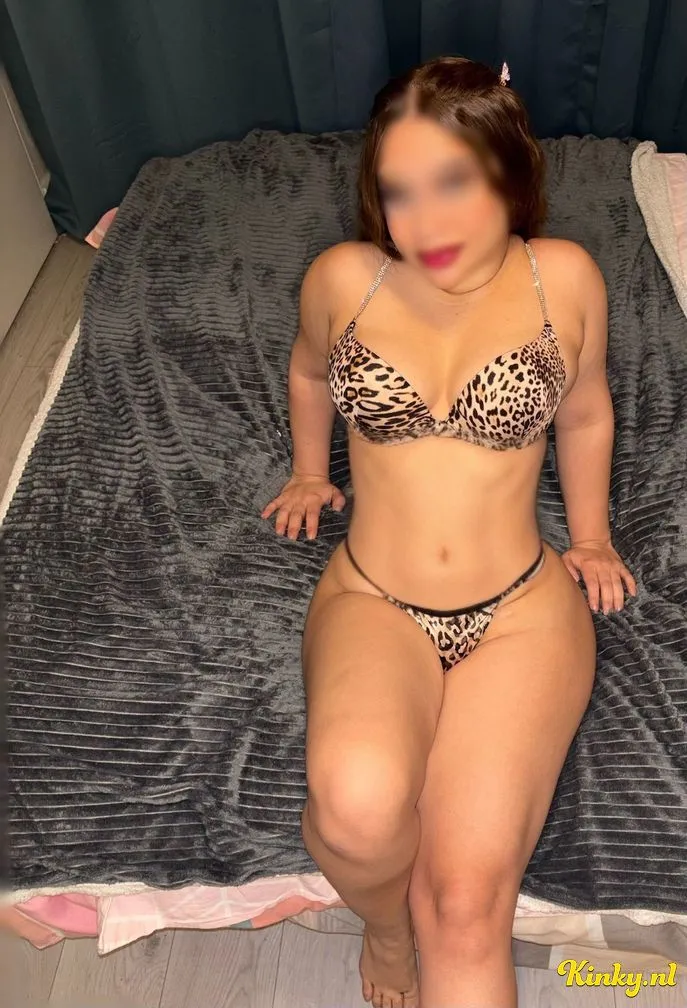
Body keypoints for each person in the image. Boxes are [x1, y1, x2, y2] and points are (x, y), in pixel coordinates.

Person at [261, 55, 637, 1008]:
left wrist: (591, 537)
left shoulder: (563, 279)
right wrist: (309, 470)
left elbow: (583, 412)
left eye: (452, 183)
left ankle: (425, 931)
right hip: (373, 597)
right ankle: (385, 930)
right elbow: (307, 371)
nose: (424, 223)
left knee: (467, 908)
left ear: (508, 171)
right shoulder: (345, 280)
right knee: (352, 810)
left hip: (519, 613)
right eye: (398, 192)